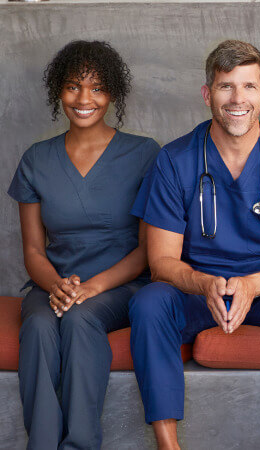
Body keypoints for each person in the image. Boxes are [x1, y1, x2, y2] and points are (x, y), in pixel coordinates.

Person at [127, 40, 260, 450]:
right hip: (198, 291)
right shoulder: (175, 160)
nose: (237, 99)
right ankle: (168, 446)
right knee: (149, 301)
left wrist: (254, 284)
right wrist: (205, 283)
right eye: (225, 86)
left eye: (248, 86)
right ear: (207, 94)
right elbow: (161, 261)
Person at [11, 40, 159, 450]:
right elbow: (33, 252)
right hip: (52, 285)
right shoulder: (36, 160)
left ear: (112, 93)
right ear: (59, 90)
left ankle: (79, 445)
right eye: (74, 86)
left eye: (96, 88)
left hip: (119, 285)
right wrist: (58, 285)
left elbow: (148, 250)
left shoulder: (144, 154)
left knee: (79, 320)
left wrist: (91, 288)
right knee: (40, 324)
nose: (84, 98)